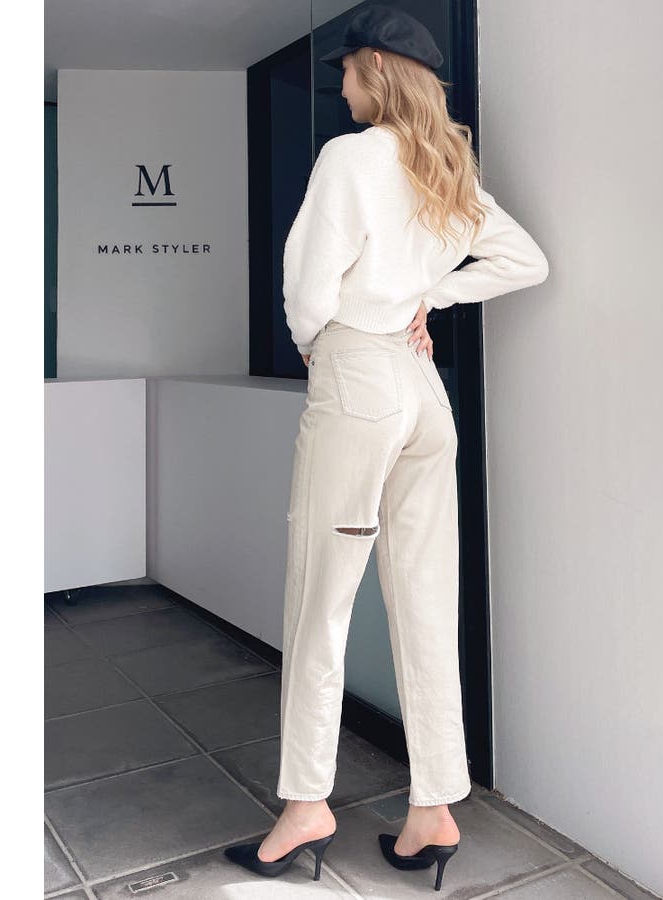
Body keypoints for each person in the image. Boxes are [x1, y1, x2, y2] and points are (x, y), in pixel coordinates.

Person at [224, 4, 548, 890]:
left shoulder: (351, 158)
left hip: (359, 379)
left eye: (344, 70)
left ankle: (305, 806)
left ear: (373, 66)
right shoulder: (447, 168)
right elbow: (526, 261)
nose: (339, 86)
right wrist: (432, 298)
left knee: (320, 598)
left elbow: (308, 285)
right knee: (425, 598)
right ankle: (434, 808)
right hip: (423, 394)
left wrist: (316, 343)